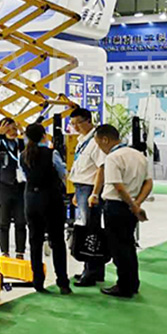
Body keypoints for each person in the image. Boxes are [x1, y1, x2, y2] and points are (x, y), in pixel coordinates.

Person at [94, 124, 153, 298]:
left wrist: (133, 205)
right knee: (128, 245)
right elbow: (148, 183)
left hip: (116, 206)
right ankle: (132, 283)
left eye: (99, 144)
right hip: (131, 206)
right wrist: (136, 204)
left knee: (118, 248)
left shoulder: (113, 158)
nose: (100, 148)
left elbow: (118, 187)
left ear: (105, 139)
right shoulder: (139, 155)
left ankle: (124, 286)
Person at [20, 124, 71, 294]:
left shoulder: (23, 155)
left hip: (31, 200)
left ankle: (38, 282)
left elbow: (25, 176)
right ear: (44, 135)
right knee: (57, 241)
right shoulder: (52, 153)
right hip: (51, 199)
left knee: (35, 241)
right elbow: (63, 173)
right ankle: (62, 282)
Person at [68, 108, 108, 287]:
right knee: (87, 228)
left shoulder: (95, 141)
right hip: (81, 188)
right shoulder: (82, 141)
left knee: (91, 230)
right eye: (72, 124)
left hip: (90, 189)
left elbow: (102, 168)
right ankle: (93, 270)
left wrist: (95, 193)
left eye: (78, 123)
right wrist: (76, 193)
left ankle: (91, 272)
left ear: (88, 121)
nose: (75, 127)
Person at [0, 117, 27, 259]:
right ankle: (4, 251)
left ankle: (20, 252)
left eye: (14, 128)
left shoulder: (21, 142)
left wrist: (22, 132)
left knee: (21, 222)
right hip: (4, 186)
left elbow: (32, 147)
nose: (12, 132)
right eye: (8, 129)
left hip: (21, 187)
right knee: (3, 222)